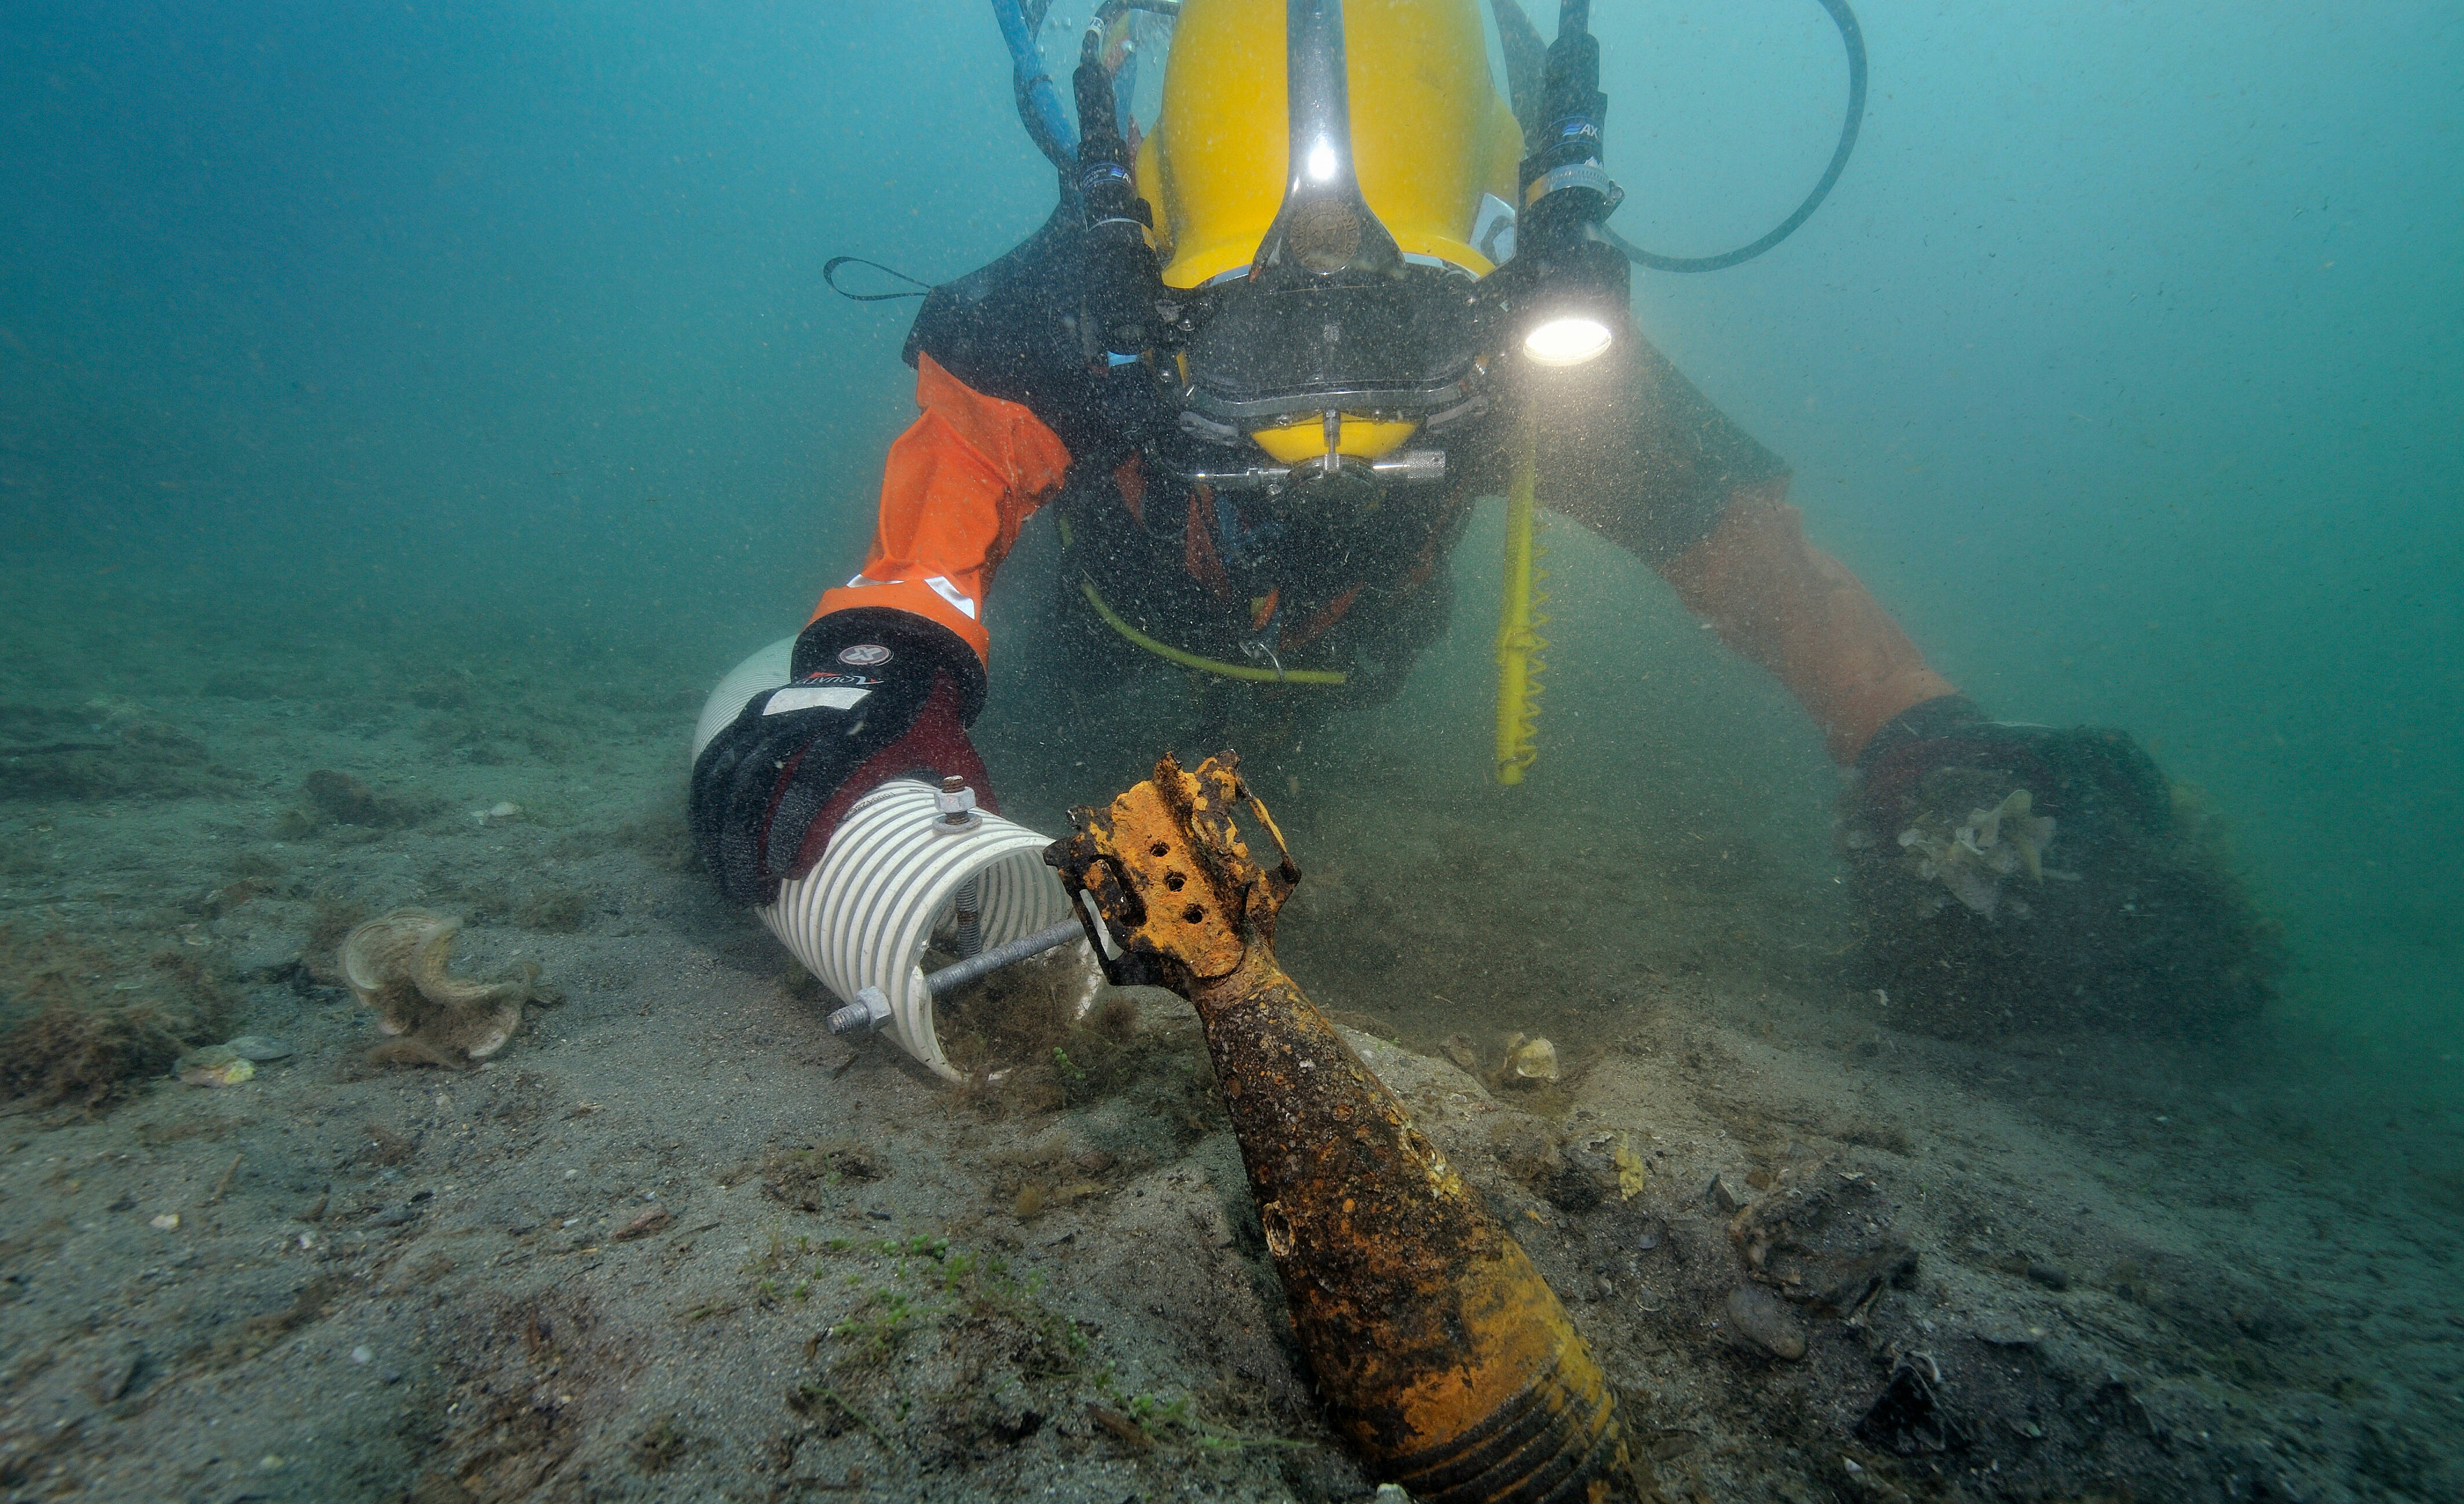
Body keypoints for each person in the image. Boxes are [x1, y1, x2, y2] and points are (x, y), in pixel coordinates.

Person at [692, 0, 2265, 1039]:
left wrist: (1919, 739)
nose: (1325, 425)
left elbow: (1754, 562)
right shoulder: (1063, 317)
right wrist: (888, 678)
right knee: (1053, 726)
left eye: (1399, 340)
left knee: (1284, 783)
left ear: (1508, 282)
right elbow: (934, 533)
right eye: (1254, 346)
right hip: (1105, 655)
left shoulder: (1540, 361)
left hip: (1339, 692)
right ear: (1144, 284)